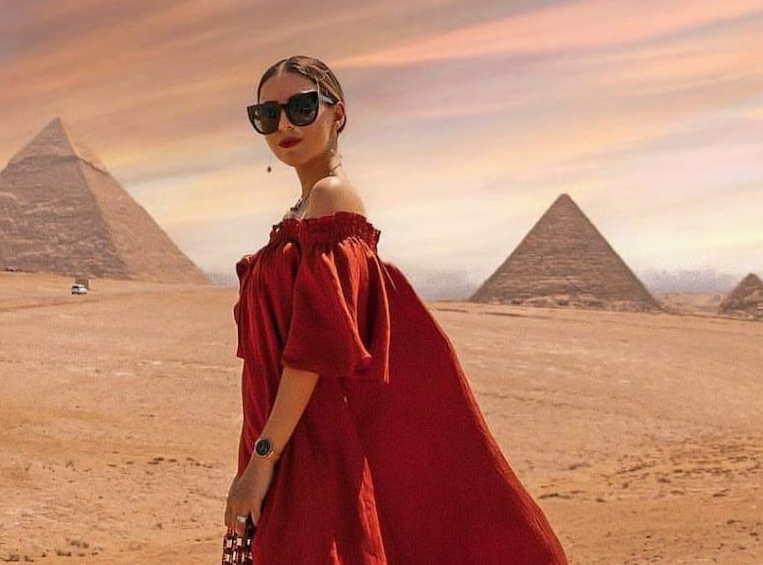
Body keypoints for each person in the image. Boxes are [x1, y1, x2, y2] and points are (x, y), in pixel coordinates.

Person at [223, 55, 568, 564]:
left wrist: (261, 463)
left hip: (308, 446)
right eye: (266, 115)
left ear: (336, 114)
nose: (284, 126)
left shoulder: (332, 198)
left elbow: (315, 349)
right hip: (286, 437)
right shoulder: (304, 211)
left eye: (300, 107)